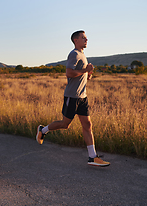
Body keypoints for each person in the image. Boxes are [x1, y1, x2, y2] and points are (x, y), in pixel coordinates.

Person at [36, 30, 110, 167]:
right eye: (83, 38)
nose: (86, 40)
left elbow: (80, 75)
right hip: (72, 96)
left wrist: (88, 75)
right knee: (65, 124)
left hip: (83, 96)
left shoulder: (82, 55)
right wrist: (85, 70)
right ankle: (43, 130)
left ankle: (92, 157)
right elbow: (69, 73)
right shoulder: (74, 54)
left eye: (86, 38)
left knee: (87, 125)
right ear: (76, 40)